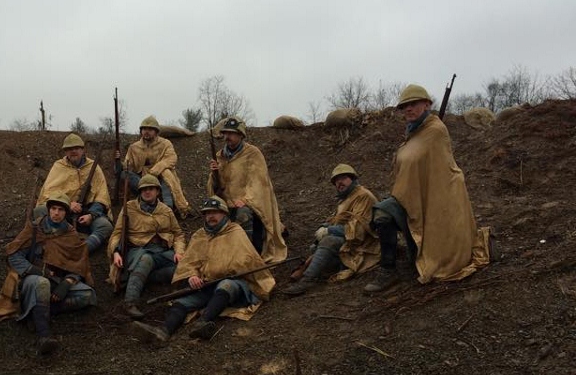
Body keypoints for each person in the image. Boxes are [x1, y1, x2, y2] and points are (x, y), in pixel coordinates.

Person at [364, 84, 492, 293]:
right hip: (407, 196)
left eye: (413, 104)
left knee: (385, 213)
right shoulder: (412, 134)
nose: (408, 109)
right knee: (382, 215)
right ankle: (388, 270)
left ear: (427, 104)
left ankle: (419, 253)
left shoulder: (436, 130)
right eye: (404, 106)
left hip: (434, 197)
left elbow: (439, 170)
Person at [131, 196, 275, 344]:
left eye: (215, 212)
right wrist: (192, 276)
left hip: (234, 284)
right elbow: (189, 262)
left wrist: (221, 271)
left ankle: (203, 323)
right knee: (181, 303)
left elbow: (247, 260)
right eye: (207, 213)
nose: (210, 216)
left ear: (224, 213)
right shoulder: (199, 235)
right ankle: (163, 331)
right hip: (205, 285)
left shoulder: (235, 232)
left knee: (226, 285)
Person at [0, 193, 96, 356]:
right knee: (42, 284)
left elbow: (78, 264)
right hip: (32, 279)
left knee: (88, 295)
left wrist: (67, 283)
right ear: (48, 210)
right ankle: (44, 335)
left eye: (61, 210)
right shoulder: (34, 229)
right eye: (53, 208)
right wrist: (37, 271)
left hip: (57, 280)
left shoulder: (71, 234)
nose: (56, 213)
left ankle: (37, 311)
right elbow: (14, 255)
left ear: (66, 213)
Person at [282, 164, 380, 296]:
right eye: (336, 181)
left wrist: (330, 230)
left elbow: (359, 231)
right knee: (315, 248)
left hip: (365, 245)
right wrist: (326, 226)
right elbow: (340, 221)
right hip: (349, 241)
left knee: (329, 241)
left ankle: (307, 280)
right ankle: (324, 267)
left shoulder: (363, 196)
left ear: (352, 178)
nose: (339, 183)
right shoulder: (346, 198)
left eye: (343, 178)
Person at [207, 117, 288, 263]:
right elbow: (215, 187)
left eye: (232, 133)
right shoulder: (220, 156)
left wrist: (245, 200)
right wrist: (214, 174)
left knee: (243, 215)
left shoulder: (252, 154)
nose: (227, 137)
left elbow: (258, 182)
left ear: (241, 135)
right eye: (225, 133)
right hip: (227, 202)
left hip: (248, 202)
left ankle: (247, 256)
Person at [108, 174, 186, 320]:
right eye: (144, 189)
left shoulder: (166, 210)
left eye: (151, 189)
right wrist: (116, 252)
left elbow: (178, 235)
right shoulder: (129, 208)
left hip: (162, 251)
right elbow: (117, 234)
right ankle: (129, 303)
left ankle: (141, 278)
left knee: (183, 267)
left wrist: (179, 252)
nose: (147, 192)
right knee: (146, 260)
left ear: (157, 191)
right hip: (138, 251)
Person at [36, 133, 113, 254]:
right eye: (69, 149)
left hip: (86, 212)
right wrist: (67, 204)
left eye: (76, 148)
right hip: (62, 210)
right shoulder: (58, 166)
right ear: (65, 152)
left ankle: (80, 251)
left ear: (83, 150)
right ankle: (54, 242)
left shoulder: (93, 167)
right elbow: (49, 192)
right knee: (39, 211)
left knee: (105, 226)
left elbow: (101, 196)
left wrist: (91, 215)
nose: (73, 151)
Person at [115, 115, 194, 218]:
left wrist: (154, 171)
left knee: (166, 174)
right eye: (144, 129)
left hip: (160, 177)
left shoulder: (165, 144)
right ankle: (146, 202)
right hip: (142, 179)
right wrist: (117, 161)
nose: (146, 131)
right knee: (124, 174)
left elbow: (171, 159)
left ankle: (168, 208)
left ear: (156, 131)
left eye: (150, 129)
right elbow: (128, 165)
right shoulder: (134, 147)